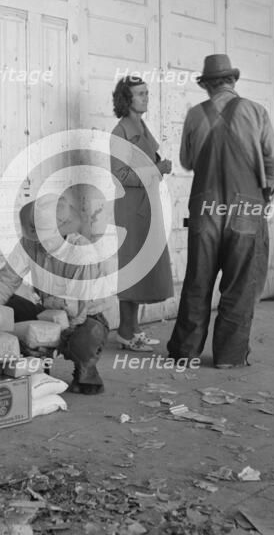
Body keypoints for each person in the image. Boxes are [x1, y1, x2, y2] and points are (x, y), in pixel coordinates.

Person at [167, 54, 274, 368]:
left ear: (206, 85)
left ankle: (185, 352)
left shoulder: (195, 115)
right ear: (232, 81)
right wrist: (266, 196)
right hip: (246, 209)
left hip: (205, 210)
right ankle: (229, 357)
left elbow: (187, 162)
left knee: (198, 282)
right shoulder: (256, 112)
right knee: (240, 284)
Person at [0, 193, 109, 394]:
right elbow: (6, 280)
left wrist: (55, 339)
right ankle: (31, 364)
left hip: (84, 316)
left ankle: (85, 372)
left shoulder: (82, 252)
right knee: (5, 307)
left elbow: (79, 308)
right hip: (48, 310)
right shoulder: (30, 244)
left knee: (87, 336)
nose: (41, 240)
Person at [110, 75, 174, 352]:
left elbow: (148, 159)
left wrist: (159, 164)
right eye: (140, 94)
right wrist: (156, 171)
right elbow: (120, 174)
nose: (146, 98)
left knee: (144, 266)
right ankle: (125, 331)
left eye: (147, 93)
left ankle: (133, 328)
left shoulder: (141, 125)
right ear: (127, 99)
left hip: (147, 204)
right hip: (130, 207)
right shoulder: (119, 132)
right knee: (133, 268)